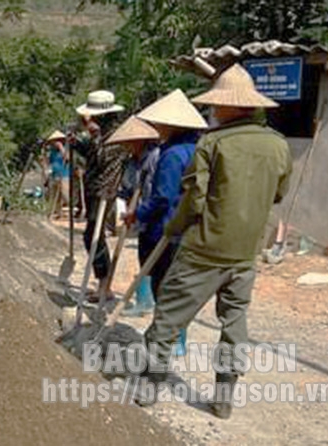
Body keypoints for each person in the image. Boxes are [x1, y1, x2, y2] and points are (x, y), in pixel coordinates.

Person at [135, 65, 292, 419]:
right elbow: (278, 194)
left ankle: (149, 385)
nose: (212, 110)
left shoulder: (213, 143)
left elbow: (193, 200)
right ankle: (223, 399)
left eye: (216, 104)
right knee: (234, 324)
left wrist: (173, 229)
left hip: (205, 250)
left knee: (169, 318)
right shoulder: (279, 145)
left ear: (227, 106)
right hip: (246, 253)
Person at [123, 90, 209, 356]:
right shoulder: (197, 148)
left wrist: (138, 214)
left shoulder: (171, 155)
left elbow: (163, 197)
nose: (156, 128)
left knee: (165, 287)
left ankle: (170, 340)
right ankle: (174, 338)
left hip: (166, 229)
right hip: (188, 228)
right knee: (177, 288)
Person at [71, 90, 126, 302]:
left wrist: (93, 135)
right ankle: (104, 283)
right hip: (94, 189)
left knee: (94, 236)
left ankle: (105, 285)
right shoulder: (102, 134)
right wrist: (78, 143)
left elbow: (103, 158)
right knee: (92, 235)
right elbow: (93, 154)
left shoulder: (117, 135)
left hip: (104, 192)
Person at [106, 116, 160, 318]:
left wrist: (139, 210)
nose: (126, 146)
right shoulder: (131, 163)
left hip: (155, 215)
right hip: (141, 217)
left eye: (129, 142)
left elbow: (157, 191)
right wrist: (121, 196)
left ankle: (152, 300)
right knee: (144, 256)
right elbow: (129, 188)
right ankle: (144, 300)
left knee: (155, 260)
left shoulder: (155, 157)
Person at [44, 130, 70, 219]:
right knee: (54, 195)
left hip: (64, 174)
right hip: (54, 174)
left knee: (65, 193)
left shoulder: (65, 149)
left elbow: (68, 158)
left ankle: (70, 211)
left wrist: (61, 148)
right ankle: (58, 213)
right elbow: (49, 162)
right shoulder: (52, 152)